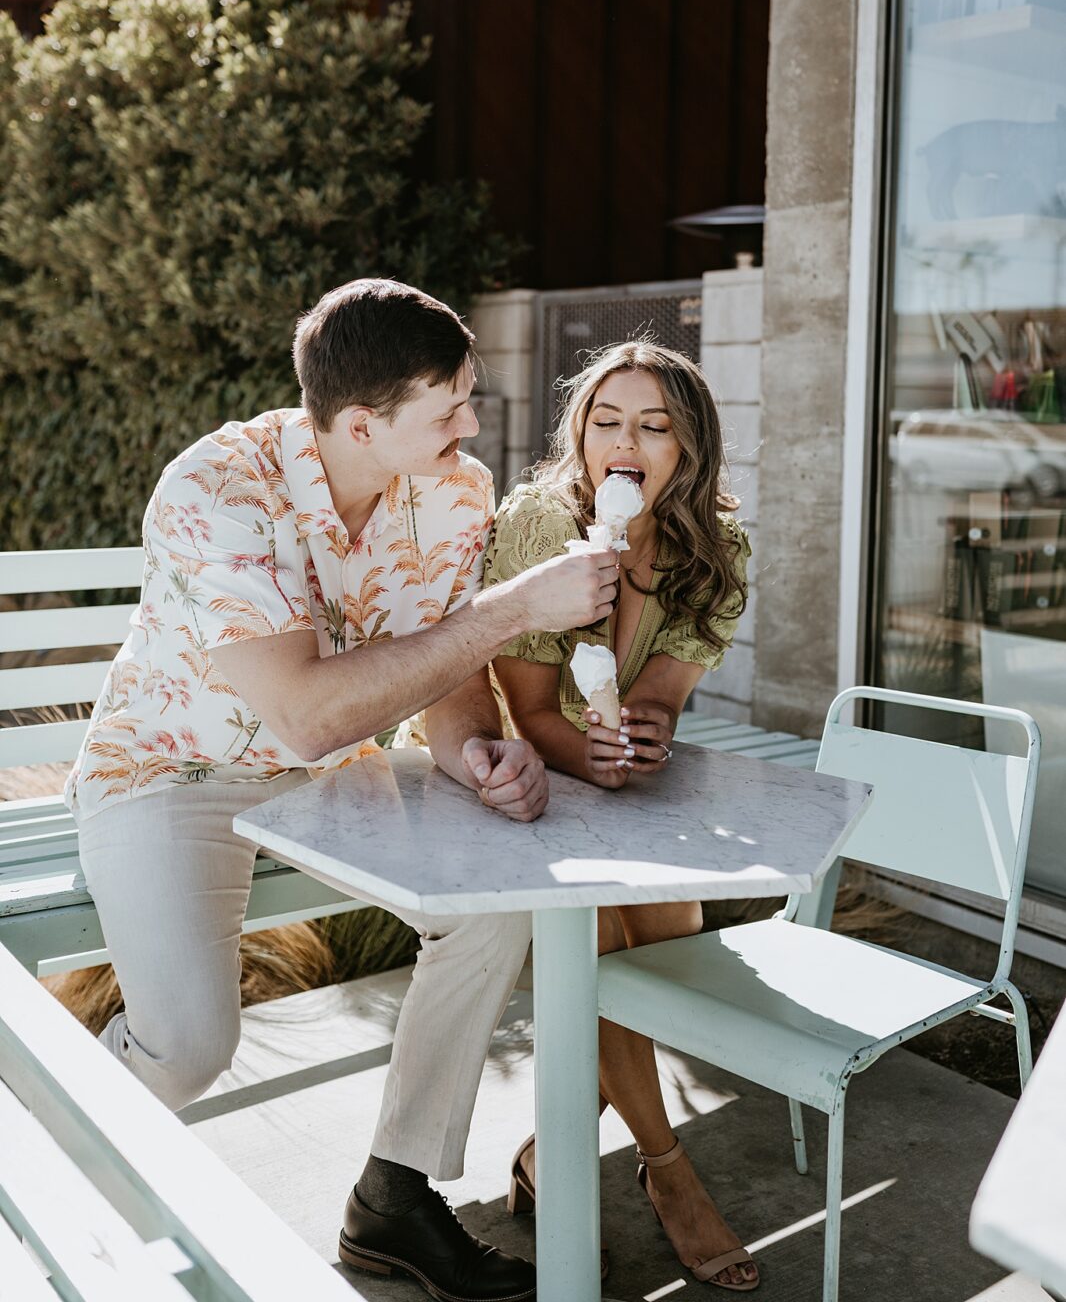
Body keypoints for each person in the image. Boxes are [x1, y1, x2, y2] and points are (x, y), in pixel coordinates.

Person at [66, 278, 619, 1302]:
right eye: (447, 406)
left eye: (468, 396)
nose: (473, 421)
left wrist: (474, 754)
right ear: (361, 425)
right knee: (186, 1044)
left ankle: (393, 1199)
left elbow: (445, 668)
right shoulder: (219, 490)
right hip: (174, 770)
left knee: (496, 905)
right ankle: (48, 1134)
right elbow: (309, 713)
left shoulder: (455, 489)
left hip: (337, 774)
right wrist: (513, 609)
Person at [483, 339, 759, 1293]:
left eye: (653, 425)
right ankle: (669, 1170)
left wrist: (645, 731)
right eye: (607, 422)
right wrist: (578, 749)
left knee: (666, 957)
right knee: (601, 946)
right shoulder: (536, 522)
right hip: (514, 775)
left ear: (690, 447)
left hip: (623, 787)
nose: (625, 442)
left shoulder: (713, 545)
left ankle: (541, 1157)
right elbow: (523, 705)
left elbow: (667, 696)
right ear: (581, 434)